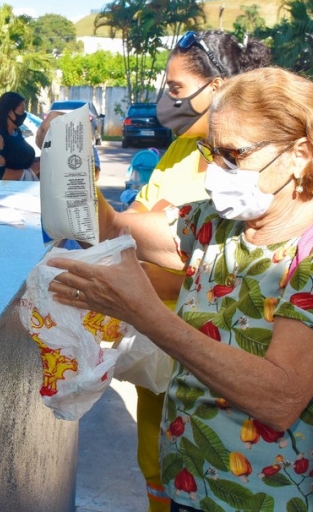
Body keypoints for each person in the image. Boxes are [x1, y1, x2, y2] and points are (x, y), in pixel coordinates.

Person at [47, 67, 313, 511]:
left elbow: (278, 397)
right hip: (190, 486)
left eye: (233, 154)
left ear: (301, 154)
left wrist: (143, 313)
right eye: (212, 151)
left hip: (267, 499)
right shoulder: (215, 224)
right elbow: (111, 229)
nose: (214, 171)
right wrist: (68, 156)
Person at [113, 30, 271, 512]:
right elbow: (133, 229)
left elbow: (202, 267)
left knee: (210, 473)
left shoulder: (251, 172)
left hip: (207, 350)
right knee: (158, 465)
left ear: (221, 87)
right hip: (160, 342)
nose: (167, 101)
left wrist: (128, 282)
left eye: (177, 89)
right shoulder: (184, 145)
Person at [0, 91, 40, 180]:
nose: (24, 115)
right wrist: (30, 171)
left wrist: (37, 161)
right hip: (5, 191)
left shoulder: (16, 132)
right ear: (10, 112)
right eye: (21, 111)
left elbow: (18, 158)